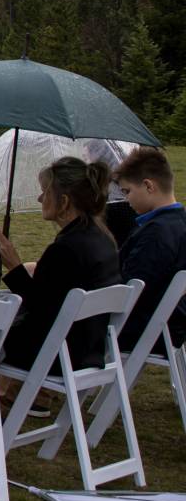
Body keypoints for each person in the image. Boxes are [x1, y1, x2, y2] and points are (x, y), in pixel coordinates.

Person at [0, 157, 121, 371]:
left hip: (58, 353)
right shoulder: (102, 238)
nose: (40, 198)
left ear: (64, 202)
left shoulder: (66, 248)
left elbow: (39, 307)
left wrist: (15, 267)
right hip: (90, 347)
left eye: (45, 192)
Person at [112, 148, 185, 352]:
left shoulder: (156, 232)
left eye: (127, 191)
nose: (127, 200)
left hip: (145, 328)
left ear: (148, 186)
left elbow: (132, 285)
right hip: (171, 323)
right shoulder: (180, 222)